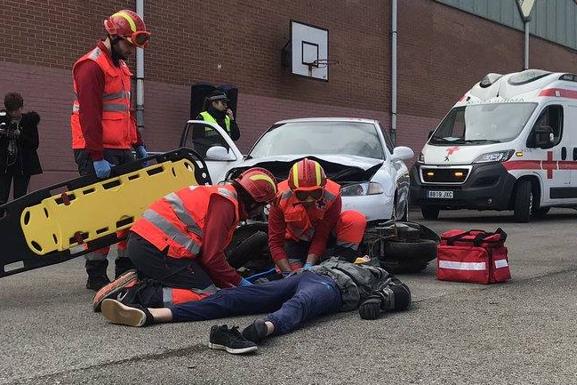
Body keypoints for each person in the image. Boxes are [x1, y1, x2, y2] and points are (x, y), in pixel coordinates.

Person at [100, 258, 412, 354]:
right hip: (303, 276)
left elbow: (403, 294)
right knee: (233, 298)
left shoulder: (378, 275)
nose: (362, 260)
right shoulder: (336, 258)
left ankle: (261, 329)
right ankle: (151, 315)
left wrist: (378, 300)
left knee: (300, 306)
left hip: (331, 288)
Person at [91, 167, 278, 313]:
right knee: (206, 294)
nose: (258, 213)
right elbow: (212, 258)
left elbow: (206, 255)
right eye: (260, 207)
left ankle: (139, 280)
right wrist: (239, 283)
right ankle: (132, 295)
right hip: (154, 249)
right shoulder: (226, 206)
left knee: (203, 282)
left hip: (149, 245)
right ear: (254, 201)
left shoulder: (223, 196)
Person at [71, 10, 151, 290]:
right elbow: (89, 117)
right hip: (95, 149)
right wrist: (96, 157)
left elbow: (125, 111)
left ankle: (125, 267)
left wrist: (138, 143)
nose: (130, 51)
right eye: (128, 44)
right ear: (113, 36)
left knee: (130, 210)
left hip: (120, 147)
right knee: (101, 216)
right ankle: (95, 273)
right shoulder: (91, 66)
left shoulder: (120, 67)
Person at [269, 158, 367, 274]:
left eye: (315, 193)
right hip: (294, 242)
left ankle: (342, 263)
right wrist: (287, 273)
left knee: (354, 219)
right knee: (295, 276)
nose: (309, 200)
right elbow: (275, 242)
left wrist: (310, 264)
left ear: (323, 187)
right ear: (292, 190)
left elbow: (322, 235)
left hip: (324, 239)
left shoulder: (332, 195)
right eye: (302, 194)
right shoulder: (279, 198)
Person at [0, 92, 42, 205]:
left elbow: (34, 144)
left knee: (19, 198)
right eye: (11, 111)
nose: (14, 113)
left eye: (16, 110)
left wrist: (20, 135)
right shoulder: (2, 120)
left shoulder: (29, 121)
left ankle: (18, 220)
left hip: (22, 165)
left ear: (21, 107)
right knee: (2, 197)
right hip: (5, 164)